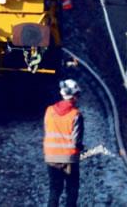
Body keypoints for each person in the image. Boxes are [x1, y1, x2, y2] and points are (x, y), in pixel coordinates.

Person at [44, 78, 85, 207]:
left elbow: (47, 131)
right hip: (69, 158)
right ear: (74, 96)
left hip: (51, 157)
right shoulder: (76, 115)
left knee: (54, 190)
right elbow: (76, 141)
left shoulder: (49, 111)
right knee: (72, 189)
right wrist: (81, 147)